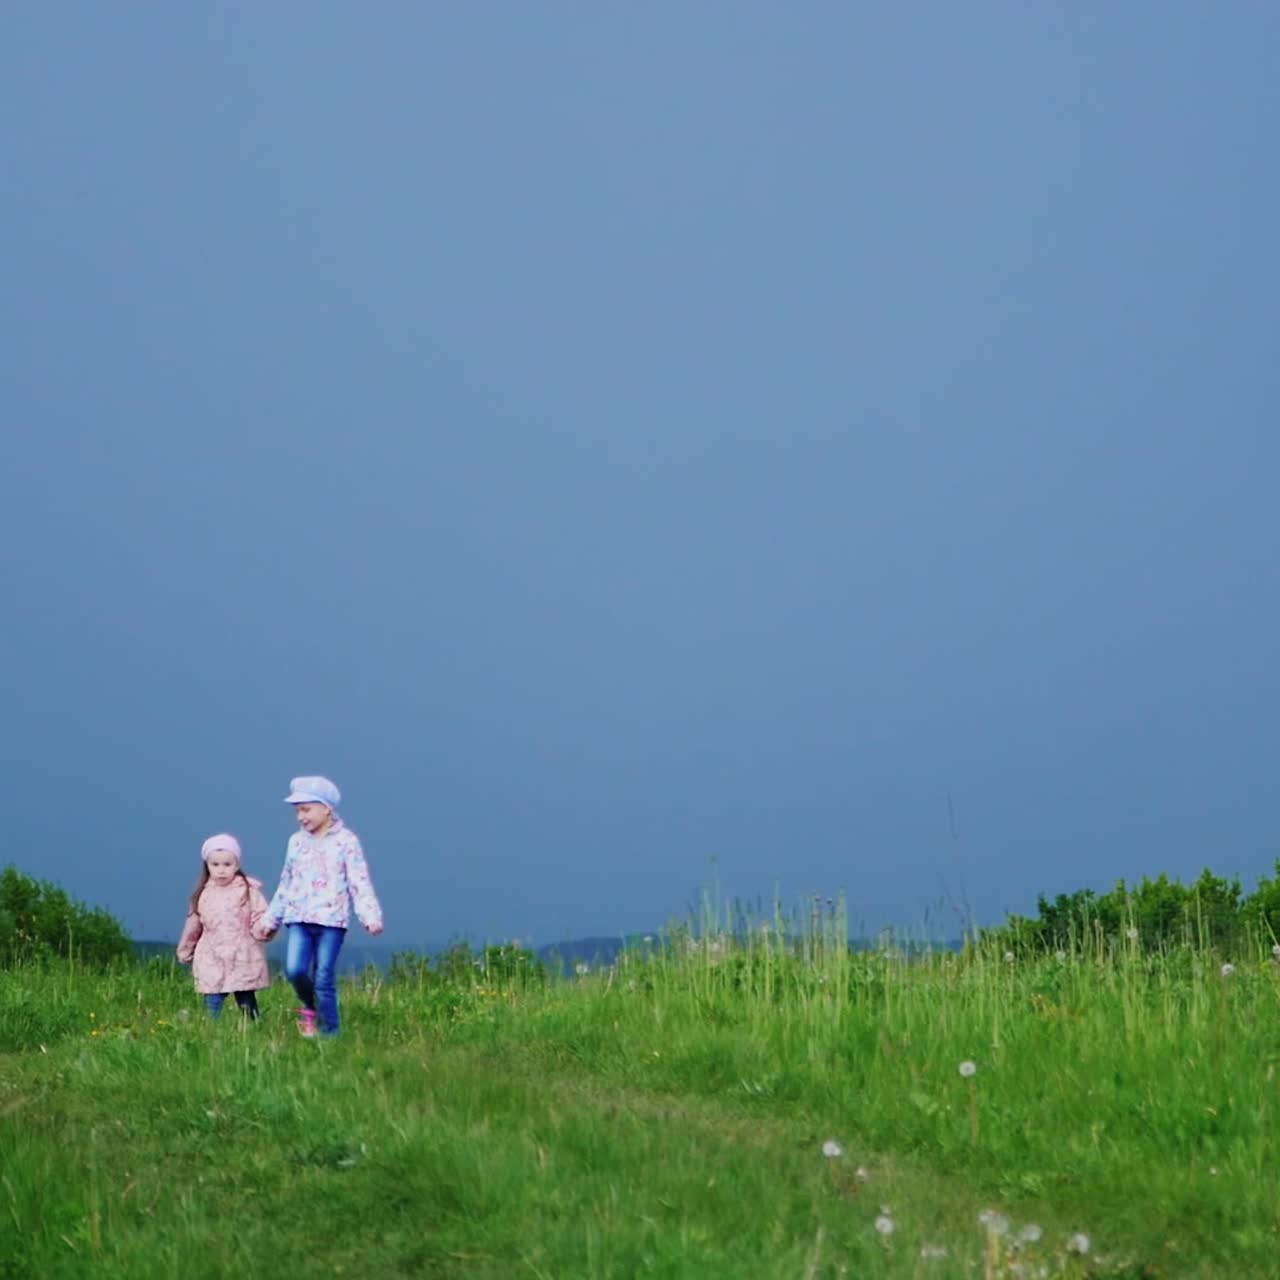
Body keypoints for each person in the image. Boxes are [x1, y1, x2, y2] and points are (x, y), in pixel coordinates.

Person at [257, 776, 383, 1037]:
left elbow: (359, 881)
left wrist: (370, 916)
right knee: (295, 970)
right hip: (299, 917)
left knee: (324, 975)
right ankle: (310, 1006)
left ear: (326, 808)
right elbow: (286, 882)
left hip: (331, 921)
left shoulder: (346, 841)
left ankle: (330, 1033)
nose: (301, 817)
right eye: (297, 811)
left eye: (306, 809)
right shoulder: (296, 842)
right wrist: (271, 920)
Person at [176, 834, 273, 1019]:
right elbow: (193, 926)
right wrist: (185, 949)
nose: (221, 870)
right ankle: (211, 1030)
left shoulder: (248, 891)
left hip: (242, 954)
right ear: (207, 865)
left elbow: (259, 917)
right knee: (212, 997)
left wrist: (266, 928)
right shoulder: (203, 895)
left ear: (236, 865)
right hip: (212, 955)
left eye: (227, 864)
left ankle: (252, 1027)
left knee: (245, 996)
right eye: (215, 865)